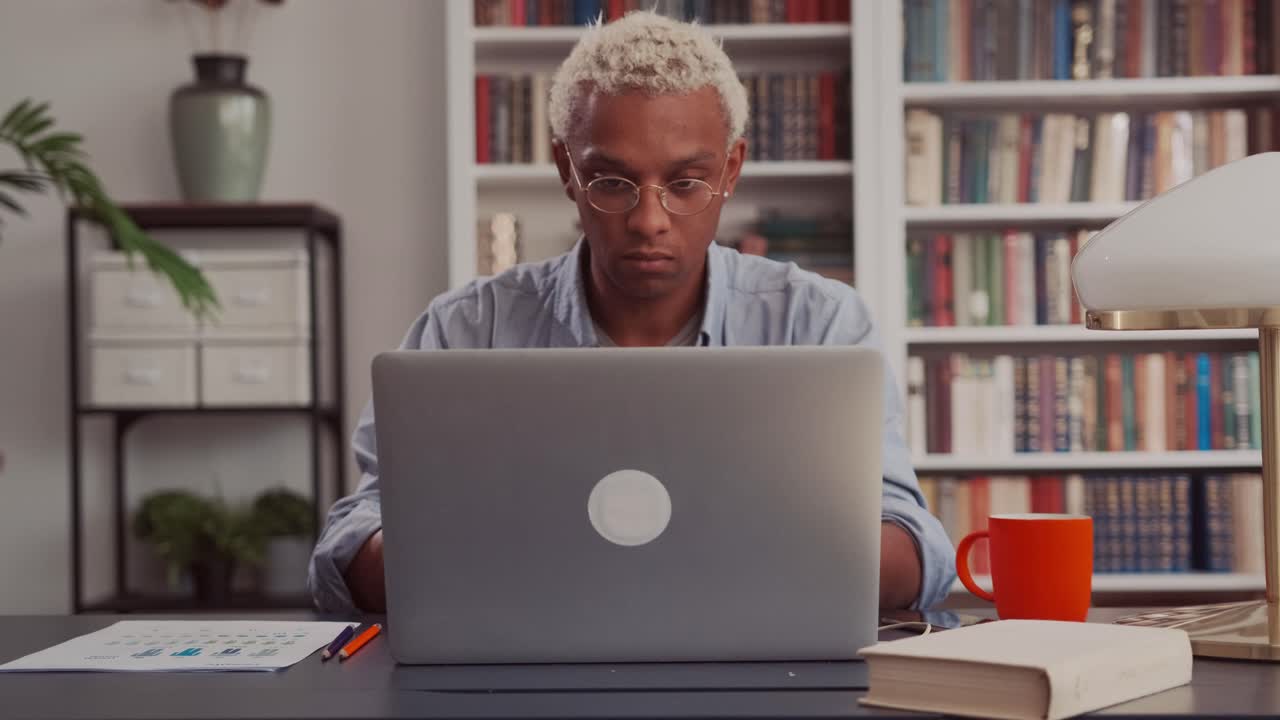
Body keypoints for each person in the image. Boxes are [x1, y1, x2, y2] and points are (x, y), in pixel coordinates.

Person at [309, 10, 956, 615]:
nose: (649, 221)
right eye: (613, 183)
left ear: (732, 168)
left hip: (753, 662)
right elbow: (349, 554)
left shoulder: (821, 327)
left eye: (685, 184)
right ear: (566, 167)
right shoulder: (464, 330)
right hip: (521, 664)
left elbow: (915, 551)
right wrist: (491, 555)